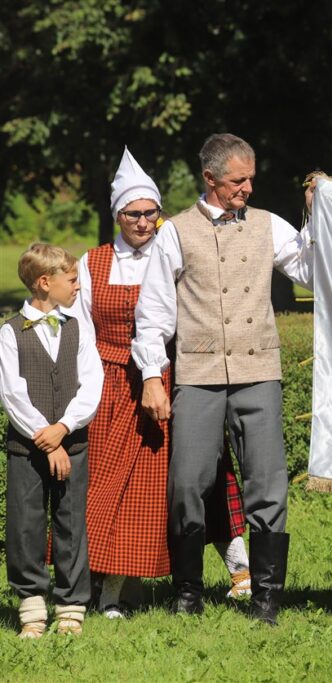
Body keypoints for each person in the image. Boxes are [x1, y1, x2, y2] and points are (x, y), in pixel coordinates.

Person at [132, 133, 314, 624]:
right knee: (187, 483)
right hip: (198, 374)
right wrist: (153, 375)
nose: (248, 188)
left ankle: (266, 600)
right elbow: (153, 314)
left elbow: (315, 274)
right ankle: (187, 593)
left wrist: (317, 217)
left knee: (268, 484)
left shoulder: (269, 226)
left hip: (259, 372)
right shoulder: (174, 233)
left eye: (251, 178)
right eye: (238, 180)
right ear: (210, 179)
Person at [76, 148, 253, 618]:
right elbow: (79, 333)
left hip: (173, 377)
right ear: (117, 215)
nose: (142, 222)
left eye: (150, 212)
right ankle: (111, 586)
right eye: (133, 213)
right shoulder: (92, 262)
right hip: (111, 385)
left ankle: (241, 571)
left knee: (203, 478)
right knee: (113, 487)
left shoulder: (174, 246)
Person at [0, 244, 102, 637]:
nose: (78, 286)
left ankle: (72, 606)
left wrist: (65, 428)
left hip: (72, 443)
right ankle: (31, 607)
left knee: (71, 522)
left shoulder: (78, 326)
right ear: (45, 283)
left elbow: (91, 382)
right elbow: (13, 393)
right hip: (27, 448)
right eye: (72, 280)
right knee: (25, 524)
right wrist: (48, 440)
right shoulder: (10, 333)